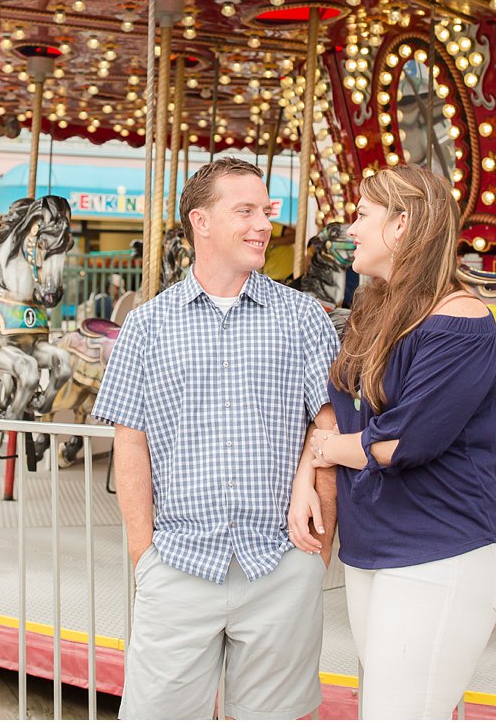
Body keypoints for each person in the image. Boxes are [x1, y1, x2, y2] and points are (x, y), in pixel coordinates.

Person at [93, 156, 339, 720]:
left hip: (280, 561)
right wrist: (143, 554)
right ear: (201, 221)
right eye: (245, 210)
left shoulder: (302, 317)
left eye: (266, 211)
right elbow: (130, 442)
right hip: (179, 563)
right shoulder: (147, 326)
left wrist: (318, 557)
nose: (263, 225)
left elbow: (328, 428)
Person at [293, 165, 496, 719]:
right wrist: (314, 462)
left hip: (443, 546)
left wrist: (331, 449)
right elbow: (333, 418)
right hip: (373, 550)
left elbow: (400, 443)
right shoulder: (371, 316)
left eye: (363, 214)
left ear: (403, 224)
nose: (352, 227)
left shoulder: (460, 322)